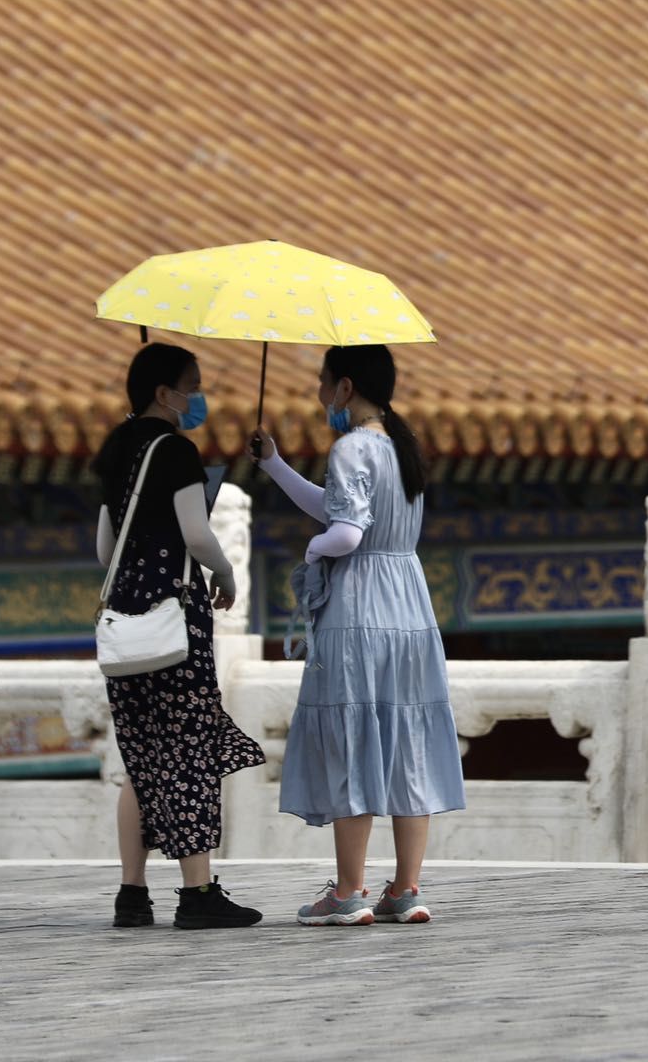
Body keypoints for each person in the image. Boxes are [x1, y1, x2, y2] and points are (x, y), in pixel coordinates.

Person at [251, 344, 465, 926]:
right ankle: (407, 889)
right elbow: (342, 508)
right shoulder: (403, 448)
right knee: (405, 736)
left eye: (323, 385)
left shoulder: (349, 448)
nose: (321, 397)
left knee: (353, 735)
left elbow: (343, 531)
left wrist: (313, 549)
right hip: (408, 602)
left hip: (359, 603)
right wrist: (274, 464)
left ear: (345, 387)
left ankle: (349, 892)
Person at [92, 342, 268, 928]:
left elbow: (103, 547)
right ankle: (197, 894)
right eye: (191, 386)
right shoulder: (177, 451)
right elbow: (195, 531)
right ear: (165, 394)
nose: (198, 397)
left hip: (124, 621)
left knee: (140, 756)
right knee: (189, 749)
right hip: (175, 618)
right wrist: (225, 571)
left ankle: (132, 895)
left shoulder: (116, 450)